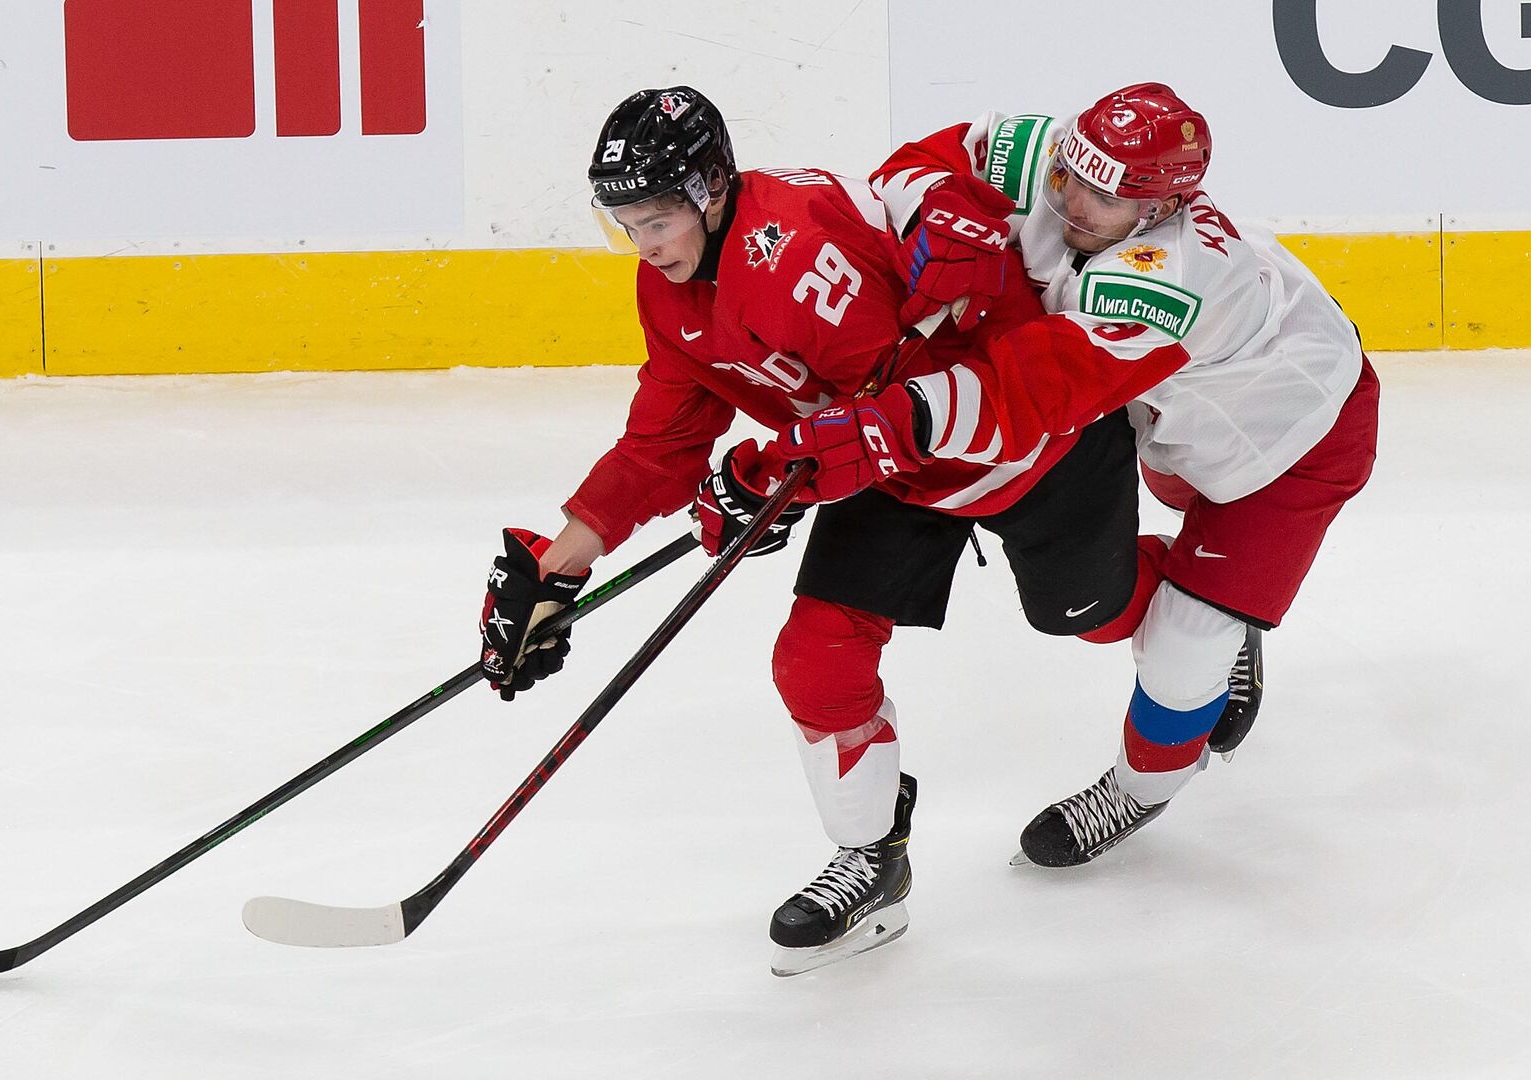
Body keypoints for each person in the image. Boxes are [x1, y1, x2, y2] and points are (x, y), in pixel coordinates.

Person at [476, 86, 1146, 975]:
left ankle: (1205, 629)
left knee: (1091, 616)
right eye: (626, 225)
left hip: (1015, 447)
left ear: (713, 188)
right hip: (895, 464)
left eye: (660, 218)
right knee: (815, 658)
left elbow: (892, 411)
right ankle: (873, 861)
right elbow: (667, 437)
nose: (647, 246)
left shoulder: (794, 254)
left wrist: (768, 480)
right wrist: (562, 561)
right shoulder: (673, 282)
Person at [747, 83, 1379, 868]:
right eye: (1068, 179)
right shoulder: (1052, 155)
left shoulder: (1171, 277)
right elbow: (915, 167)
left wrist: (895, 420)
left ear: (1159, 210)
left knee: (1186, 644)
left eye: (1103, 198)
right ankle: (1217, 628)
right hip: (1176, 425)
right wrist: (943, 205)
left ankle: (1141, 787)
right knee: (1167, 560)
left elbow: (1036, 390)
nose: (1073, 203)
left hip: (1292, 439)